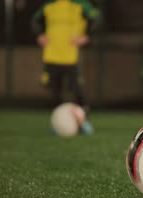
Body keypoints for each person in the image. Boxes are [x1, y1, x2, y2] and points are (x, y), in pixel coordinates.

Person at [31, 0, 99, 134]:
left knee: (78, 91)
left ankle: (83, 123)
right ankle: (58, 124)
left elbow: (97, 19)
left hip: (72, 56)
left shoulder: (81, 4)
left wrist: (87, 36)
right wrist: (40, 35)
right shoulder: (49, 5)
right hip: (51, 55)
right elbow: (34, 21)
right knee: (55, 92)